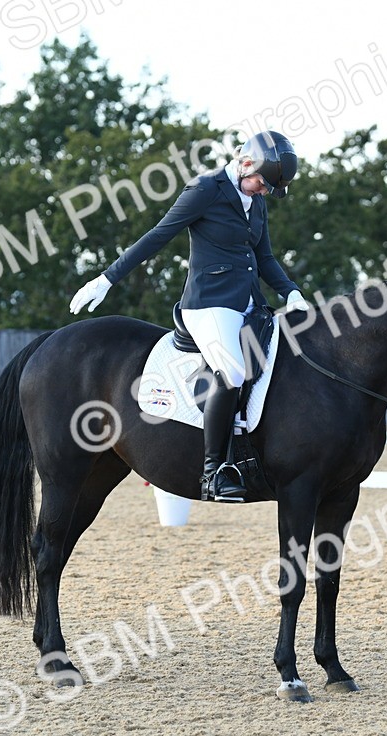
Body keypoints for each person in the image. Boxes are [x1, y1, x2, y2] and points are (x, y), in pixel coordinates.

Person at [70, 130, 309, 502]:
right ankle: (215, 471)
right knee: (230, 371)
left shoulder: (256, 201)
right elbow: (158, 235)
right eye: (261, 183)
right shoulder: (205, 189)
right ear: (246, 162)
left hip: (249, 304)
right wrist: (106, 278)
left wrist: (291, 292)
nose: (263, 192)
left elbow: (264, 257)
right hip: (208, 305)